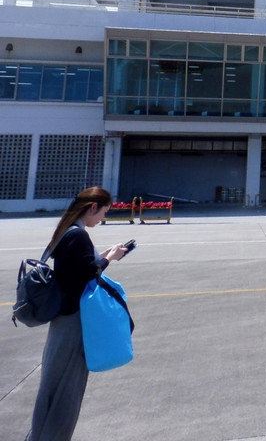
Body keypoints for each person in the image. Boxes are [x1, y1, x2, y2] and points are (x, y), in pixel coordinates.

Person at [26, 187, 132, 440]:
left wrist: (103, 256)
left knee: (54, 385)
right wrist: (112, 259)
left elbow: (78, 269)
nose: (102, 219)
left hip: (62, 320)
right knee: (66, 390)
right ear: (93, 207)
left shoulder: (67, 231)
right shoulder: (79, 236)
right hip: (73, 321)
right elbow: (85, 277)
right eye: (103, 212)